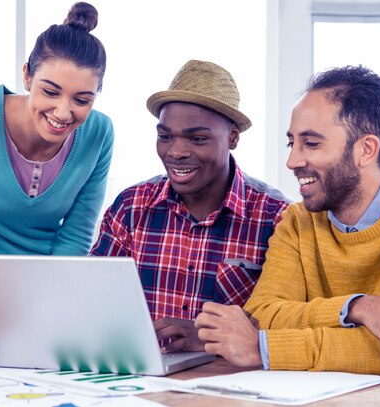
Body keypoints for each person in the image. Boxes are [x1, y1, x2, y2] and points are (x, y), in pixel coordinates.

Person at [194, 65, 380, 407]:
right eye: (292, 142)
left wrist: (263, 348)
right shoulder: (298, 222)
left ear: (366, 149)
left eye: (311, 143)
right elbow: (264, 314)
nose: (292, 160)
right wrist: (358, 308)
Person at [0, 2, 113, 340]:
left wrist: (46, 314)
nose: (63, 112)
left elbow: (76, 234)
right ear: (27, 75)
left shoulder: (100, 134)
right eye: (50, 91)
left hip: (49, 294)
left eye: (82, 100)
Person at [90, 60, 291, 352]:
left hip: (230, 386)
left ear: (232, 137)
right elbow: (90, 300)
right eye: (165, 136)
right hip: (140, 381)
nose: (176, 152)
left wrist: (208, 340)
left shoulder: (276, 218)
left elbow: (287, 324)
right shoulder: (131, 208)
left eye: (197, 138)